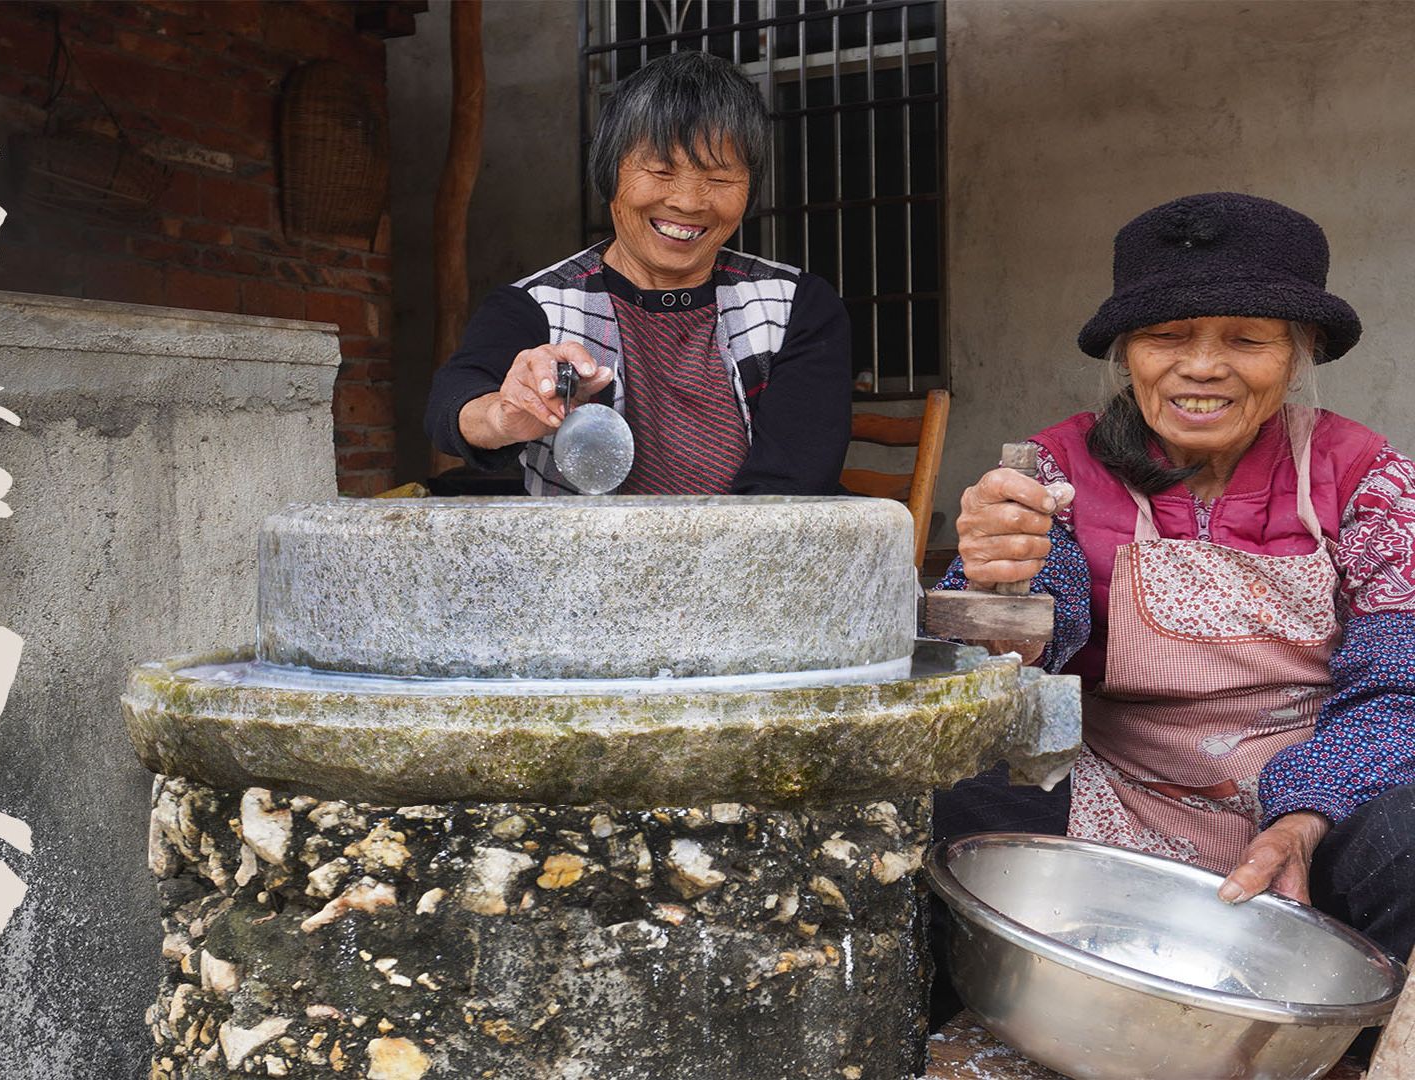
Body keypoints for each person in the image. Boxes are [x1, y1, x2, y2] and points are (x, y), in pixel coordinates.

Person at [935, 192, 1415, 987]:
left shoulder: (1365, 476)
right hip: (1112, 800)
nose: (1202, 366)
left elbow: (1400, 679)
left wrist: (1305, 815)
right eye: (1168, 337)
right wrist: (995, 576)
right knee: (948, 811)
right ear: (1128, 353)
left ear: (1298, 355)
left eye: (1247, 340)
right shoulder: (1055, 468)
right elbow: (1008, 654)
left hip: (1317, 802)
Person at [425, 50, 852, 495]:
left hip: (756, 560)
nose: (689, 201)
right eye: (661, 170)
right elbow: (452, 403)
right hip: (589, 560)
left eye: (721, 179)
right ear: (610, 172)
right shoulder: (537, 306)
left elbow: (792, 483)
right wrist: (502, 415)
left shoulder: (797, 304)